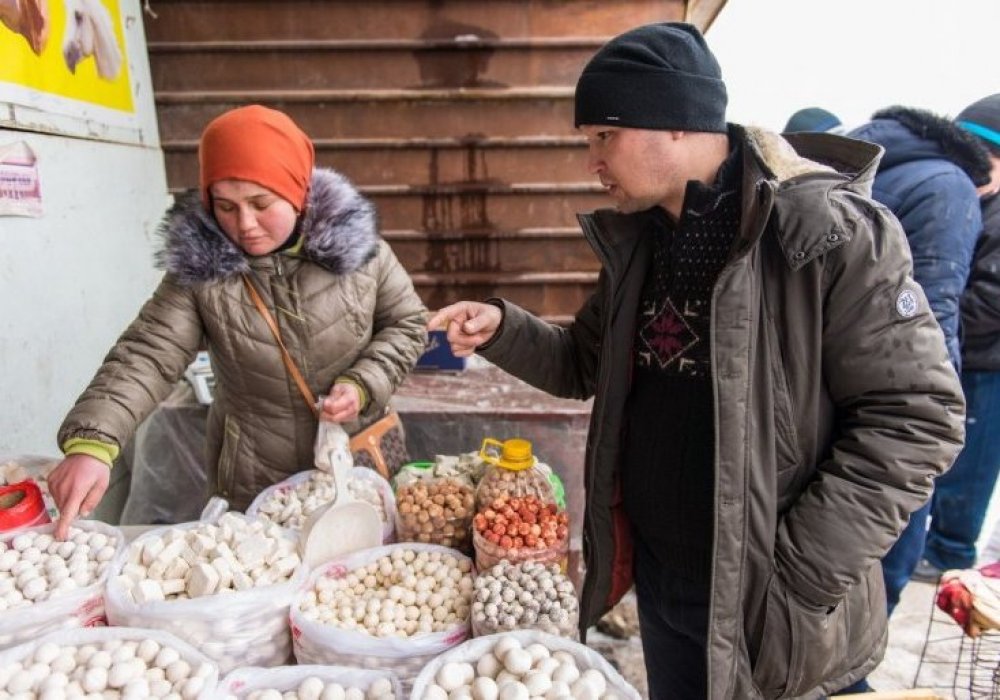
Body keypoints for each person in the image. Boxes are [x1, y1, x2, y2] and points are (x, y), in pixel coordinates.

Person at [429, 22, 965, 699]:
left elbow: (917, 418)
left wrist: (798, 576)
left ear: (676, 122)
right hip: (666, 581)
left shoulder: (826, 234)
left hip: (775, 599)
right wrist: (503, 328)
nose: (591, 160)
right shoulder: (643, 241)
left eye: (603, 137)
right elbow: (583, 363)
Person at [49, 105, 428, 538]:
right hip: (254, 478)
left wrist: (364, 383)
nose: (243, 224)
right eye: (225, 206)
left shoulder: (364, 254)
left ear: (299, 191)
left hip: (357, 462)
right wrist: (93, 442)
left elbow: (408, 324)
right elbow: (148, 353)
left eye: (260, 203)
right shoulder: (200, 273)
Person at [848, 106, 992, 616]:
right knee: (886, 549)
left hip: (827, 388)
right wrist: (940, 419)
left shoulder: (863, 164)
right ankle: (849, 685)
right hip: (892, 397)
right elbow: (935, 310)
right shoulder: (949, 189)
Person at [913, 94, 1000, 579]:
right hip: (964, 349)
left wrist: (936, 311)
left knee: (972, 461)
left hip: (989, 361)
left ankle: (950, 549)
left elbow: (992, 298)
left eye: (985, 161)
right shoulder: (967, 199)